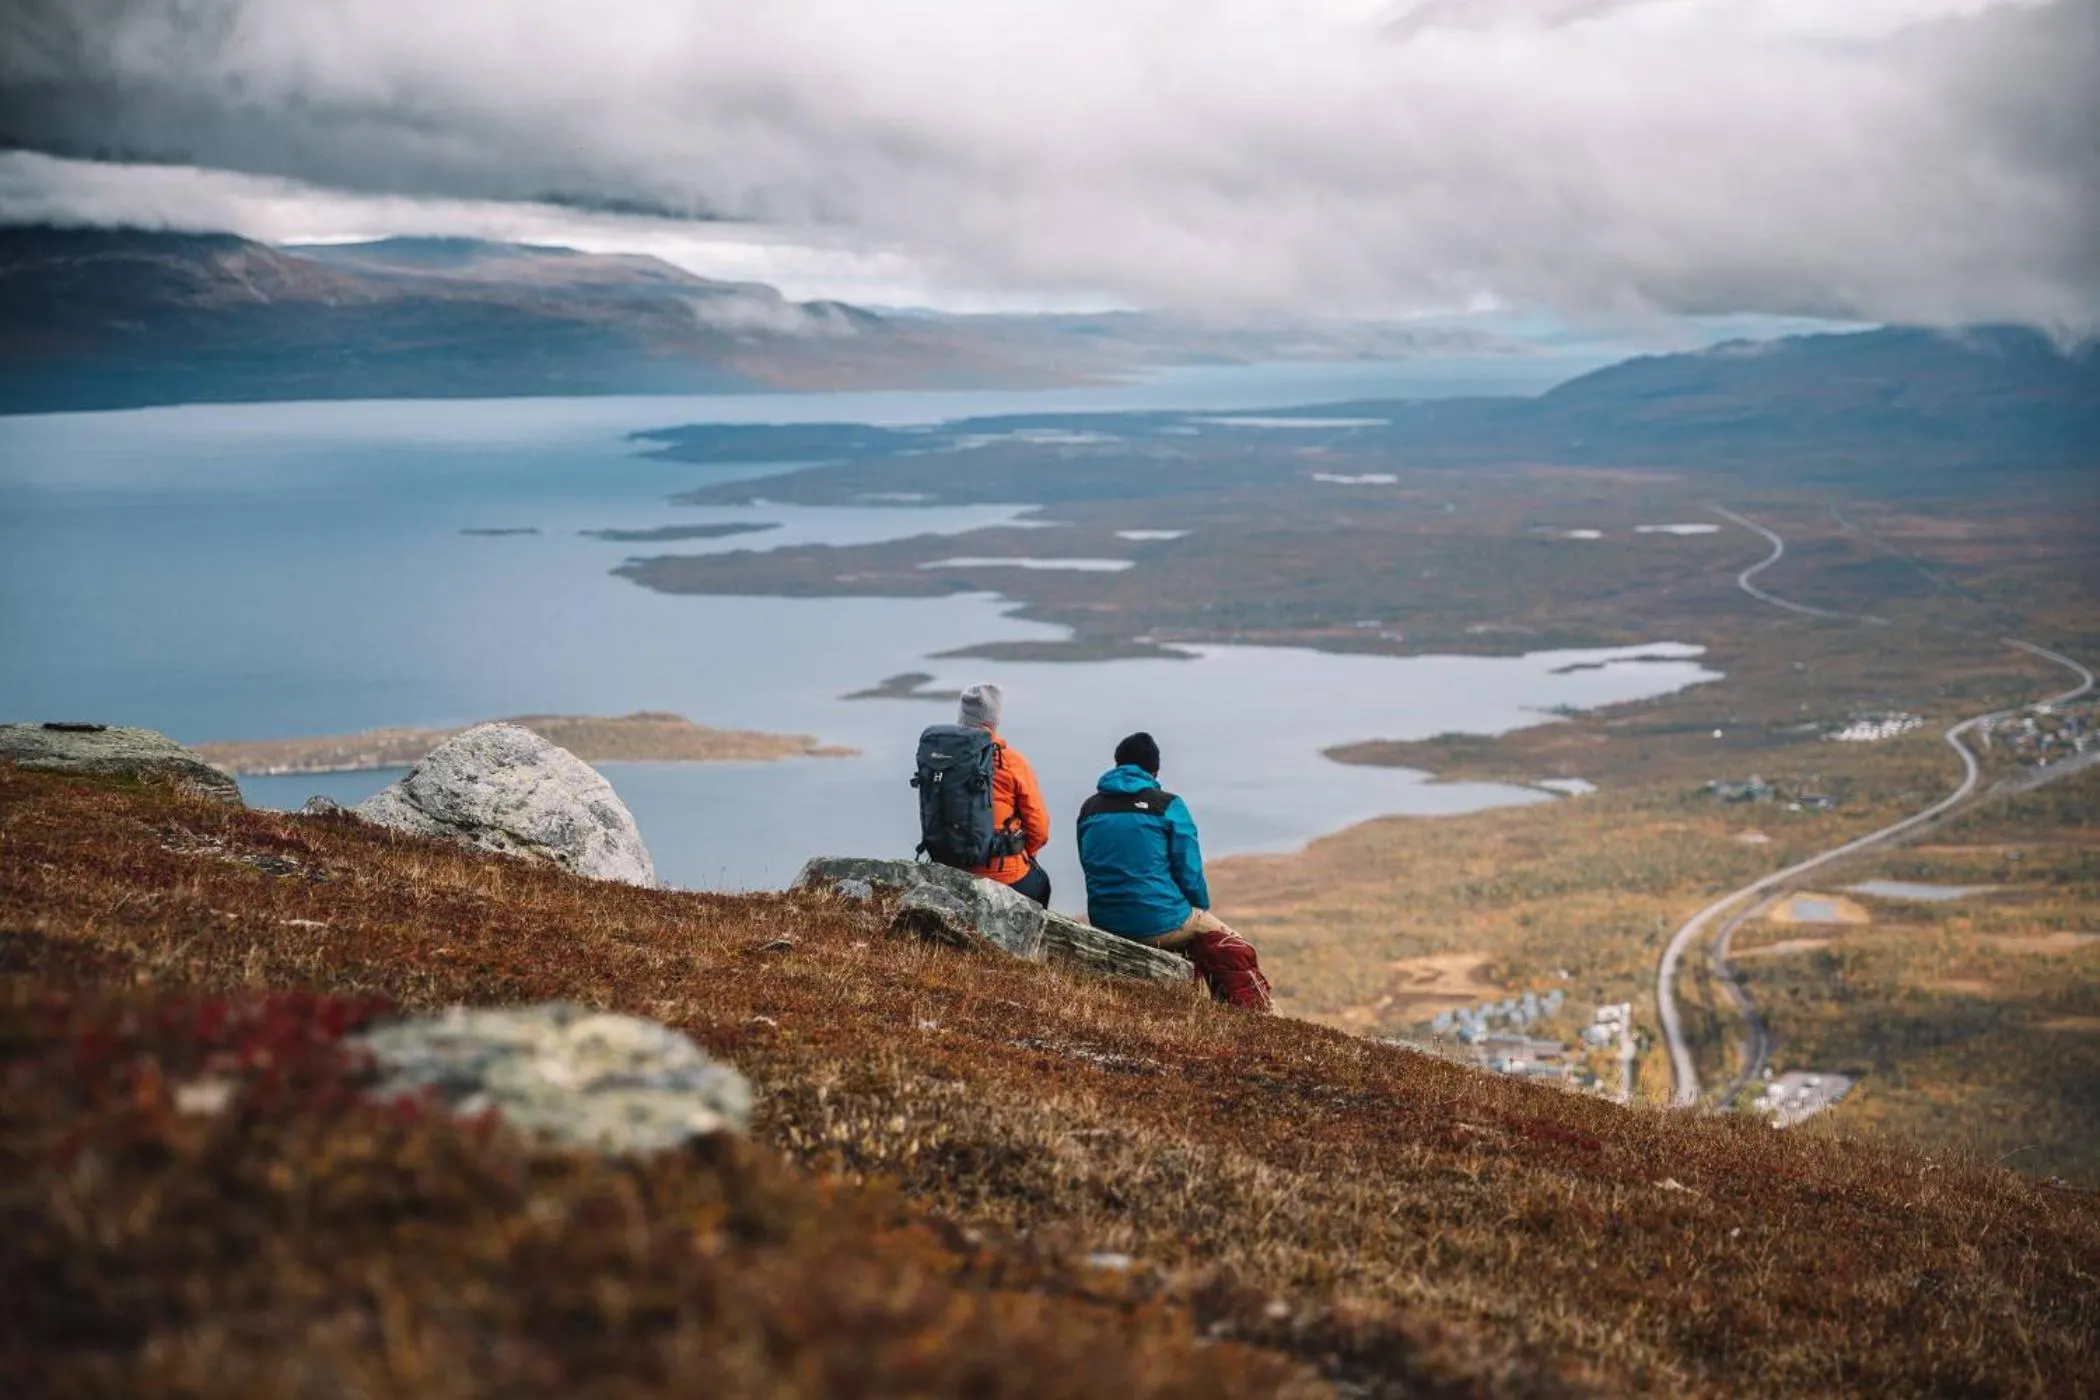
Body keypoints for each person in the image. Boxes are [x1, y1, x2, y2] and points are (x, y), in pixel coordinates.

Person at [1075, 732, 1272, 1011]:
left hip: (1105, 919)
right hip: (1161, 922)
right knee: (1236, 948)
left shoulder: (1089, 808)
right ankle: (1257, 1016)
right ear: (1155, 769)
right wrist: (1198, 909)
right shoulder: (1168, 806)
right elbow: (1189, 871)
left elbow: (1088, 863)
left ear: (1117, 764)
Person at [950, 682, 1052, 905]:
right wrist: (1022, 854)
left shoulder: (941, 758)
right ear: (994, 719)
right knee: (1041, 884)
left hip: (949, 870)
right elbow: (1039, 828)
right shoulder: (1011, 762)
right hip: (1005, 874)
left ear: (962, 717)